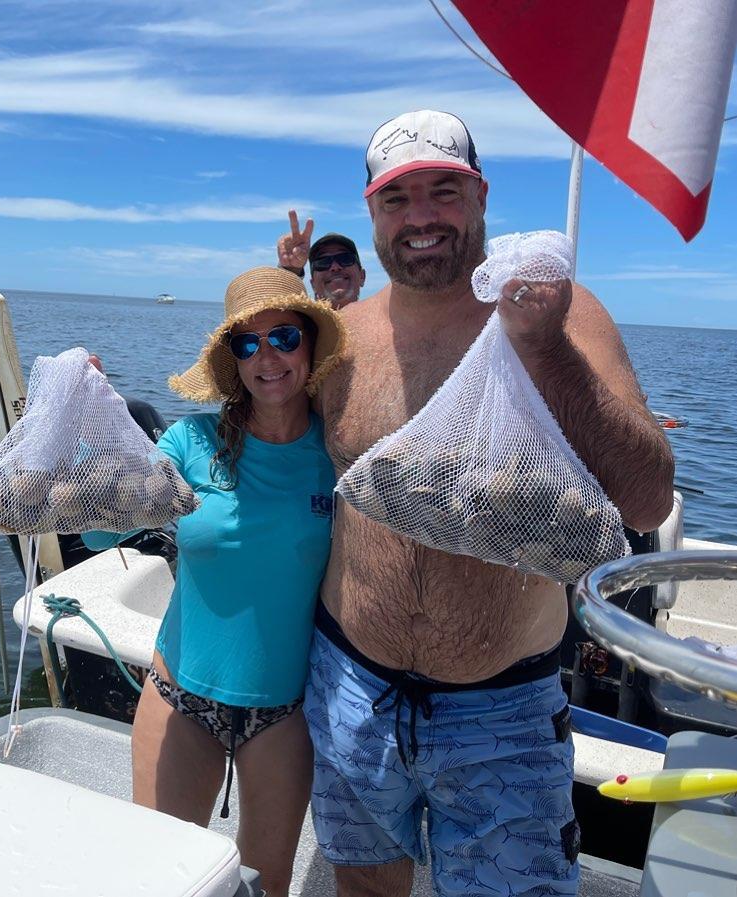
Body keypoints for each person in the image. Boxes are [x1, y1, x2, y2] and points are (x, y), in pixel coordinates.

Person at [304, 110, 675, 897]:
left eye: (444, 191)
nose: (422, 217)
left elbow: (645, 498)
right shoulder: (340, 338)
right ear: (371, 213)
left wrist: (542, 344)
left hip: (501, 713)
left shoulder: (563, 313)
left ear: (480, 198)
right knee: (364, 885)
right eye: (398, 199)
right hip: (348, 685)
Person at [83, 267, 346, 897]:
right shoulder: (190, 442)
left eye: (283, 336)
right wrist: (96, 422)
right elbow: (96, 533)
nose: (267, 357)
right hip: (180, 697)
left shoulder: (340, 452)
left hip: (284, 714)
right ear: (232, 361)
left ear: (309, 344)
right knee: (162, 876)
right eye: (246, 344)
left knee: (265, 884)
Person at [277, 210, 366, 309]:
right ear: (313, 285)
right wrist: (290, 270)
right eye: (323, 262)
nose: (335, 267)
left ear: (362, 276)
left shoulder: (385, 317)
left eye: (345, 258)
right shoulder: (300, 323)